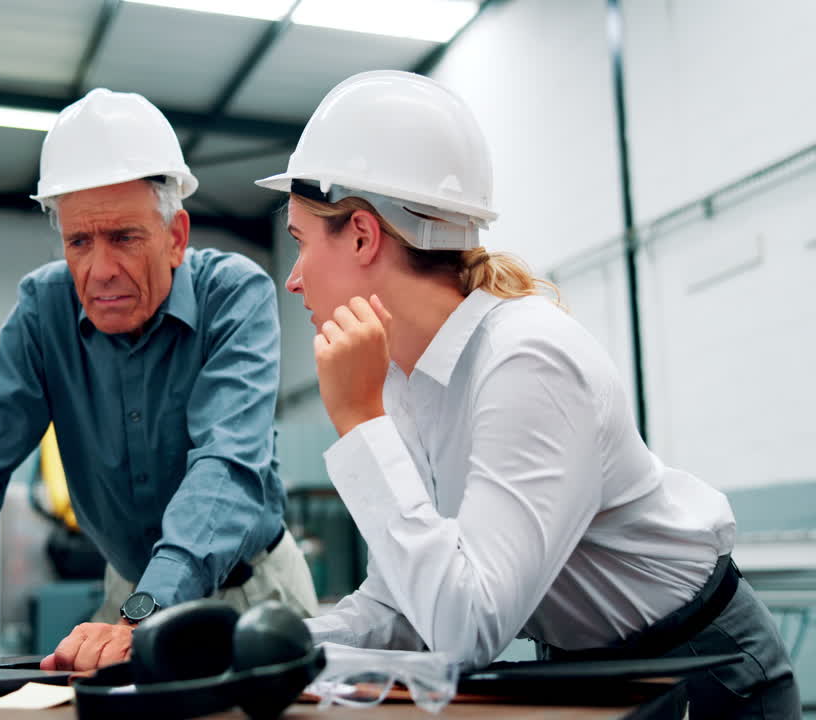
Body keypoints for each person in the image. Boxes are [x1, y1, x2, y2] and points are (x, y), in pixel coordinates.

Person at [255, 70, 798, 718]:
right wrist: (268, 651)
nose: (292, 280)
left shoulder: (526, 361)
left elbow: (466, 628)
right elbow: (403, 602)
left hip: (703, 673)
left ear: (364, 235)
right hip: (595, 672)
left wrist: (359, 421)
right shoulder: (401, 381)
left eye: (301, 242)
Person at [0, 88, 318, 673]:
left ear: (176, 236)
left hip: (254, 593)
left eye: (124, 237)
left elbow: (226, 466)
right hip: (130, 597)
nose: (100, 270)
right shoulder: (44, 311)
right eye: (79, 242)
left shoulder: (234, 297)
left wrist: (146, 609)